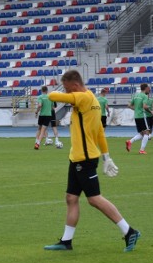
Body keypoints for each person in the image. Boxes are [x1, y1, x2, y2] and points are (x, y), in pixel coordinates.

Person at [43, 69, 140, 253]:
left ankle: (129, 231)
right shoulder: (94, 101)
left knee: (94, 199)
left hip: (85, 159)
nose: (66, 92)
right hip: (77, 157)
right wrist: (106, 157)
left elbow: (52, 96)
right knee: (71, 198)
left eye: (67, 89)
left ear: (75, 86)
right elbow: (99, 133)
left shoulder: (84, 98)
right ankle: (66, 241)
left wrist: (58, 93)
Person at [126, 83, 153, 154]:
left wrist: (137, 109)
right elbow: (145, 106)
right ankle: (142, 150)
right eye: (148, 88)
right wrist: (150, 111)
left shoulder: (136, 95)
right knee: (147, 132)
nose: (149, 90)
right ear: (146, 88)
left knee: (141, 133)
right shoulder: (145, 96)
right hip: (142, 116)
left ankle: (130, 142)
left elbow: (129, 105)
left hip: (136, 116)